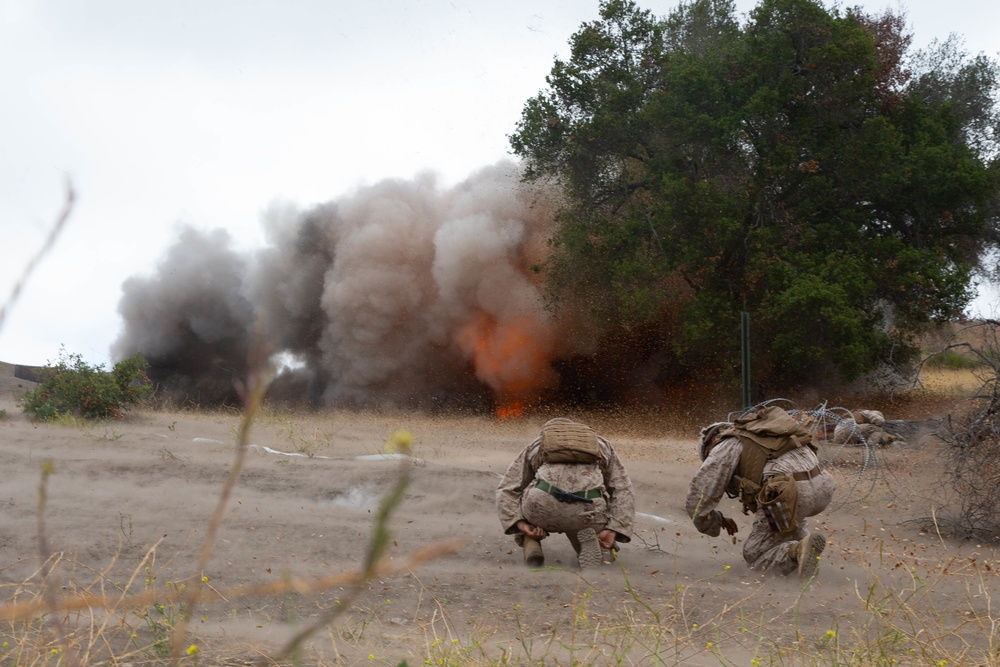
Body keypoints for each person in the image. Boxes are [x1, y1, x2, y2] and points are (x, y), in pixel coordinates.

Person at [685, 405, 836, 577]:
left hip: (790, 492)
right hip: (823, 484)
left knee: (754, 552)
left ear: (710, 444)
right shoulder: (764, 432)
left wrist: (713, 523)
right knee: (791, 526)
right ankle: (806, 549)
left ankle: (796, 551)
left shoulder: (725, 445)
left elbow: (697, 498)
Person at [496, 418, 635, 569]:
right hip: (587, 512)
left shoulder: (539, 443)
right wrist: (614, 529)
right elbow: (623, 489)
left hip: (541, 510)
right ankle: (599, 550)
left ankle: (531, 543)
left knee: (525, 493)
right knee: (586, 519)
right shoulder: (602, 444)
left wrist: (520, 524)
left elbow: (507, 488)